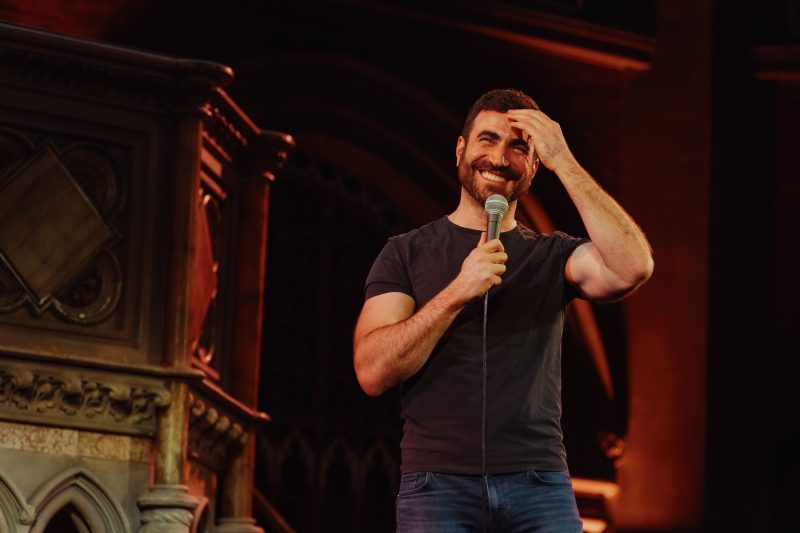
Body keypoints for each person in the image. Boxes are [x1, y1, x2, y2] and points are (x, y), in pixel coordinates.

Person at [353, 88, 653, 532]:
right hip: (437, 487)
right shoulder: (405, 254)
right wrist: (458, 290)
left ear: (534, 165)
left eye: (519, 147)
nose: (498, 157)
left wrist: (564, 160)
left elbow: (634, 266)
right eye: (487, 139)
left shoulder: (552, 256)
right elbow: (372, 371)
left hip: (538, 484)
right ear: (461, 148)